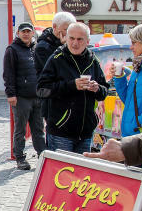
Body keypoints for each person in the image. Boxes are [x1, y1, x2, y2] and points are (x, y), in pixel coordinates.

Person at [37, 22, 108, 153]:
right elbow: (42, 89)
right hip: (61, 130)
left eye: (80, 39)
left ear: (87, 41)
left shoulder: (93, 61)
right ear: (66, 38)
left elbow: (104, 91)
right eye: (71, 38)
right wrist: (72, 85)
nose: (75, 43)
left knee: (81, 173)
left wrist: (97, 88)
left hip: (86, 131)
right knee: (61, 171)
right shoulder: (56, 59)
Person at [3, 22, 45, 170]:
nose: (26, 34)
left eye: (28, 31)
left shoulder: (36, 48)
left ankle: (42, 155)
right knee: (20, 129)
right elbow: (8, 74)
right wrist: (11, 94)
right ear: (18, 33)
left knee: (38, 129)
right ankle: (20, 158)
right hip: (21, 97)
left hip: (37, 96)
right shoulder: (12, 50)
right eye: (23, 31)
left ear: (33, 33)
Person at [33, 11, 76, 76]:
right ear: (55, 26)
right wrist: (63, 46)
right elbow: (53, 69)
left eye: (71, 30)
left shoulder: (70, 43)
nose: (69, 33)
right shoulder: (43, 47)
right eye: (66, 30)